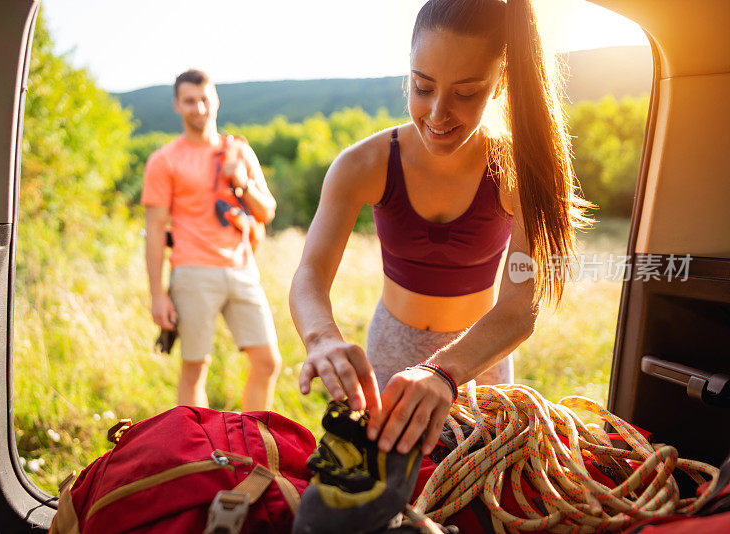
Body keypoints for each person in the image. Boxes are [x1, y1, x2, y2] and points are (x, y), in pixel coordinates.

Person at [289, 0, 593, 457]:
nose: (437, 113)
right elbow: (310, 275)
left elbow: (521, 303)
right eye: (422, 86)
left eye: (466, 93)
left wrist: (445, 373)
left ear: (499, 84)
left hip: (479, 361)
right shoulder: (361, 165)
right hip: (389, 352)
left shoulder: (519, 170)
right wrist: (322, 339)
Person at [142, 69, 281, 410]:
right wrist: (158, 295)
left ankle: (253, 447)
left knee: (268, 362)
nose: (199, 108)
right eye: (190, 101)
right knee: (195, 366)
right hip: (192, 271)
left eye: (205, 99)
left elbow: (267, 211)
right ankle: (198, 454)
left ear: (215, 100)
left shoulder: (239, 152)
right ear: (177, 105)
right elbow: (156, 229)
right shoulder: (164, 160)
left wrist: (242, 182)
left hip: (242, 269)